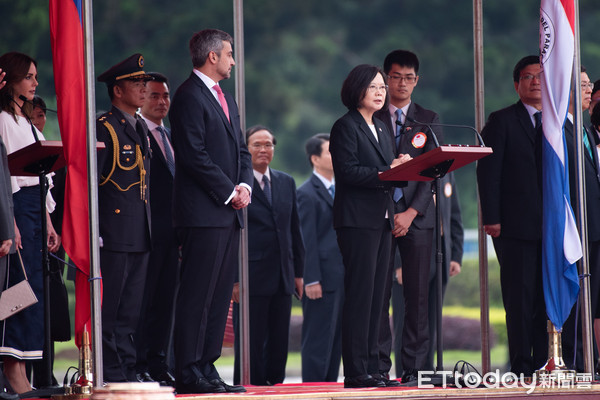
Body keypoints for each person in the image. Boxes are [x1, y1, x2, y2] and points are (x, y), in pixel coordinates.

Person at [169, 29, 251, 395]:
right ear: (212, 56)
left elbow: (242, 151)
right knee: (197, 294)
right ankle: (188, 370)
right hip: (203, 213)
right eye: (229, 54)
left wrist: (245, 186)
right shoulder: (188, 97)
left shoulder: (226, 99)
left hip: (228, 213)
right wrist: (227, 191)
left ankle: (207, 366)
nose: (233, 61)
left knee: (219, 296)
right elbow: (193, 155)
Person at [329, 64, 409, 389]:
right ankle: (356, 371)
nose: (380, 92)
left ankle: (377, 368)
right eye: (373, 87)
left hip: (382, 219)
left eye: (381, 88)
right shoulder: (345, 126)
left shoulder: (381, 126)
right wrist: (386, 171)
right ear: (357, 89)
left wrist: (406, 168)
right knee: (361, 295)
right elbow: (347, 172)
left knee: (380, 296)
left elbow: (390, 174)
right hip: (357, 221)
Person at [477, 55, 547, 376]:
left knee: (547, 300)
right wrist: (492, 217)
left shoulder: (560, 121)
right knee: (520, 301)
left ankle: (547, 362)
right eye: (529, 77)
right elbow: (488, 173)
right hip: (515, 228)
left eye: (541, 76)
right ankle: (521, 367)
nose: (536, 82)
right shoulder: (502, 120)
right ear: (516, 83)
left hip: (554, 228)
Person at [373, 49, 439, 385]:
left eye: (409, 77)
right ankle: (379, 367)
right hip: (379, 218)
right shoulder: (370, 116)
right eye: (396, 76)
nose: (402, 83)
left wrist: (410, 213)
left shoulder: (428, 117)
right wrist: (393, 213)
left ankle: (414, 369)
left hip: (417, 218)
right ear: (385, 78)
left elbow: (432, 173)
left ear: (417, 80)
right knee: (378, 294)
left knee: (417, 297)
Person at [0, 52, 60, 394]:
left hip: (36, 208)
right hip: (18, 208)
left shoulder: (24, 121)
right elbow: (5, 173)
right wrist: (12, 223)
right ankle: (13, 371)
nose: (36, 83)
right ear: (11, 79)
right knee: (17, 291)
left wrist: (49, 221)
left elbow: (40, 174)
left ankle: (25, 369)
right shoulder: (3, 120)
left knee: (34, 291)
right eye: (30, 77)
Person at [232, 126, 305, 385]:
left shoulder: (286, 182)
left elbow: (294, 230)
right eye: (257, 145)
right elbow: (232, 233)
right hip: (251, 275)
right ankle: (250, 386)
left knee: (278, 340)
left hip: (283, 275)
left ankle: (276, 386)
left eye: (268, 145)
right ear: (246, 149)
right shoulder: (238, 184)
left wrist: (298, 273)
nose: (264, 150)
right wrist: (234, 278)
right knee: (251, 341)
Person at [96, 53, 152, 382]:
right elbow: (92, 185)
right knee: (112, 309)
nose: (143, 88)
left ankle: (128, 369)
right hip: (114, 233)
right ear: (118, 90)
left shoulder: (139, 126)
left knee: (131, 309)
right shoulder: (106, 128)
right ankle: (113, 371)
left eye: (144, 82)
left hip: (139, 232)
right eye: (136, 82)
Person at [390, 172, 463, 377]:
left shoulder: (447, 174)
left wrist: (455, 255)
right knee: (407, 317)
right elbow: (395, 217)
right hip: (411, 251)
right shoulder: (412, 171)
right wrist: (398, 263)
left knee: (432, 319)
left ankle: (427, 372)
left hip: (440, 251)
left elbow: (454, 215)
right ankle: (407, 371)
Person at [136, 72, 177, 386]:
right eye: (154, 95)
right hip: (143, 233)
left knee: (165, 303)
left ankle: (158, 362)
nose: (162, 102)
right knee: (142, 302)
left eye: (165, 96)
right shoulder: (134, 133)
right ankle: (137, 363)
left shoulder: (173, 136)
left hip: (173, 235)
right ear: (141, 97)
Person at [562, 67, 600, 372]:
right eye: (583, 84)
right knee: (576, 297)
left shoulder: (586, 130)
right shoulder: (558, 129)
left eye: (588, 84)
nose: (588, 90)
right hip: (573, 228)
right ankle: (574, 360)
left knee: (593, 299)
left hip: (594, 227)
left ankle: (590, 359)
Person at [298, 133, 344, 383]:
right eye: (330, 151)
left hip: (342, 276)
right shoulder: (307, 193)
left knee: (336, 339)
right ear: (315, 158)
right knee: (318, 339)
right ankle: (314, 390)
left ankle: (330, 388)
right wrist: (311, 279)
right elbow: (307, 241)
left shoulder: (343, 189)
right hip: (321, 280)